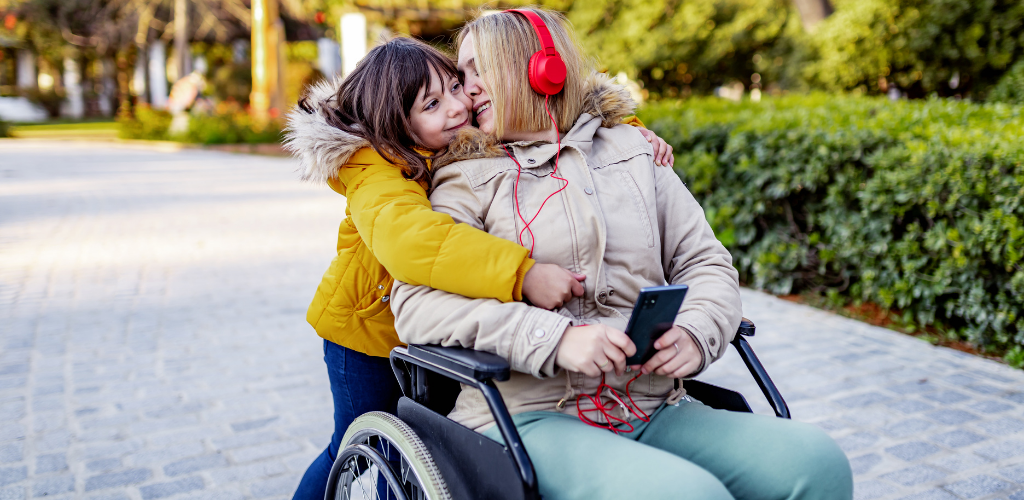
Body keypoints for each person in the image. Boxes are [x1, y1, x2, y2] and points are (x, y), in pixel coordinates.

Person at [391, 9, 853, 500]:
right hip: (527, 415)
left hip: (649, 403)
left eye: (481, 69)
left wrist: (698, 331)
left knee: (816, 462)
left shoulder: (634, 151)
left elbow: (706, 262)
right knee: (689, 494)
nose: (469, 89)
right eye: (462, 76)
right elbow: (417, 305)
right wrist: (555, 339)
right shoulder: (464, 178)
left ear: (540, 68)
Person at [283, 36, 674, 499]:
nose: (457, 106)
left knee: (433, 445)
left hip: (439, 330)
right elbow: (414, 243)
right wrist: (521, 274)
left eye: (454, 86)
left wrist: (624, 127)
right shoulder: (374, 172)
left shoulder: (459, 137)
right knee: (369, 444)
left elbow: (548, 109)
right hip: (368, 332)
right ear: (395, 122)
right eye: (432, 102)